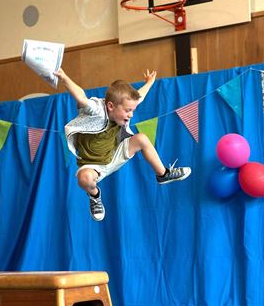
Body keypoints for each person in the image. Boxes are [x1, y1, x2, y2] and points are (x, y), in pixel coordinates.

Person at [55, 68, 191, 221]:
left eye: (132, 110)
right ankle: (95, 196)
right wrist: (64, 77)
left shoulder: (123, 110)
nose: (131, 114)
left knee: (141, 138)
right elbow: (81, 96)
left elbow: (139, 97)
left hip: (115, 154)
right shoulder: (96, 110)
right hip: (93, 165)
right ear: (111, 106)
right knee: (84, 179)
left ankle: (163, 174)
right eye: (127, 111)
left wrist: (149, 83)